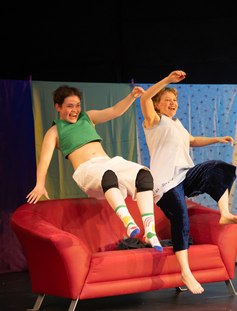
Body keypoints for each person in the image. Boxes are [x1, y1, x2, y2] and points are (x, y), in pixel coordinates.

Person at [26, 85, 164, 252]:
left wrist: (132, 96)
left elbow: (115, 111)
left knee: (143, 174)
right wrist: (40, 184)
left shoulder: (87, 117)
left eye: (77, 105)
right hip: (86, 171)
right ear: (58, 107)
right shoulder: (54, 132)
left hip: (107, 162)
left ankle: (149, 231)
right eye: (69, 106)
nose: (75, 110)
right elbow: (44, 161)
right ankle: (128, 221)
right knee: (108, 175)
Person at [138, 70, 237, 294]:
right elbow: (145, 98)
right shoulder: (154, 121)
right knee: (181, 217)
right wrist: (167, 80)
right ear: (157, 105)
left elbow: (192, 140)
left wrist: (218, 138)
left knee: (217, 167)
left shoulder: (176, 123)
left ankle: (224, 212)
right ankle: (185, 272)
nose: (172, 103)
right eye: (167, 100)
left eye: (174, 100)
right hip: (165, 182)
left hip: (184, 175)